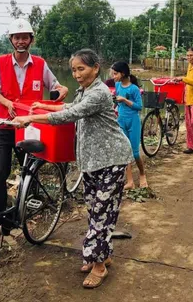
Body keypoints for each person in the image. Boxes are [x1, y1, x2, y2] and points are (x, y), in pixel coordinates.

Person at [13, 49, 133, 289]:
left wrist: (32, 118)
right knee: (97, 211)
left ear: (96, 68)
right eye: (74, 70)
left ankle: (99, 265)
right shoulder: (86, 90)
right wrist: (43, 107)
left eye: (82, 69)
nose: (77, 75)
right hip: (92, 161)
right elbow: (69, 106)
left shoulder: (99, 92)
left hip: (112, 160)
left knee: (101, 213)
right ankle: (103, 254)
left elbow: (70, 115)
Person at [0, 18, 68, 240]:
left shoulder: (40, 64)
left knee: (30, 168)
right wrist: (7, 103)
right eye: (17, 37)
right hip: (4, 124)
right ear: (11, 40)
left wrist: (62, 89)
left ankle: (28, 207)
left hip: (30, 126)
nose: (21, 41)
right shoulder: (0, 62)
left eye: (25, 37)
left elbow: (55, 86)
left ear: (31, 40)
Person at [110, 61, 148, 189]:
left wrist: (125, 100)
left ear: (123, 73)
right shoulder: (117, 85)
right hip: (121, 120)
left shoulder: (134, 89)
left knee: (135, 153)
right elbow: (116, 101)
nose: (113, 76)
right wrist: (113, 104)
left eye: (115, 74)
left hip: (133, 121)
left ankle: (142, 175)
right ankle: (130, 181)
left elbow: (139, 107)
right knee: (125, 152)